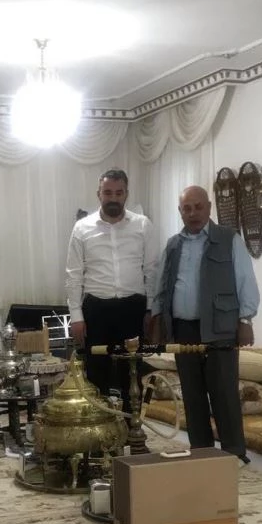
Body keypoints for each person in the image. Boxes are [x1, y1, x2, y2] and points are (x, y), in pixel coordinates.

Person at [150, 185, 260, 462]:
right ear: (180, 212)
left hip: (220, 328)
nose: (193, 213)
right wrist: (156, 317)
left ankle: (234, 454)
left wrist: (245, 319)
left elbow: (245, 279)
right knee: (192, 394)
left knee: (224, 393)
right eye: (187, 208)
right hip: (184, 329)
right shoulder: (173, 244)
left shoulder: (229, 239)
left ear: (209, 208)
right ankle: (202, 453)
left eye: (198, 207)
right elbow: (161, 284)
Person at [65, 169, 158, 412]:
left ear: (126, 193)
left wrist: (150, 310)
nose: (113, 198)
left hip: (132, 308)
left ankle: (132, 427)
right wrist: (76, 317)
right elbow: (74, 275)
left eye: (119, 192)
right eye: (108, 192)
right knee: (97, 374)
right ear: (99, 194)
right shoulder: (82, 228)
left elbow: (152, 270)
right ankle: (100, 431)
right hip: (96, 309)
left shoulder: (142, 225)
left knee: (132, 372)